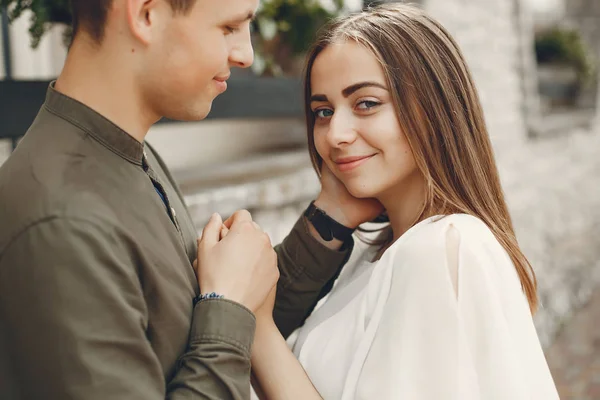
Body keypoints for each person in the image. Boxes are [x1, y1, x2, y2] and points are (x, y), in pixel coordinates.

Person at [0, 0, 381, 398]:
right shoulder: (61, 222)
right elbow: (222, 325)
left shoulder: (123, 155)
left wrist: (332, 216)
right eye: (229, 28)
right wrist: (226, 301)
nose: (246, 55)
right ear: (146, 14)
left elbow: (210, 335)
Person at [248, 4, 560, 399]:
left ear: (434, 109)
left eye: (366, 103)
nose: (335, 134)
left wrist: (256, 323)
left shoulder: (442, 248)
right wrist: (334, 212)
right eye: (323, 111)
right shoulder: (378, 251)